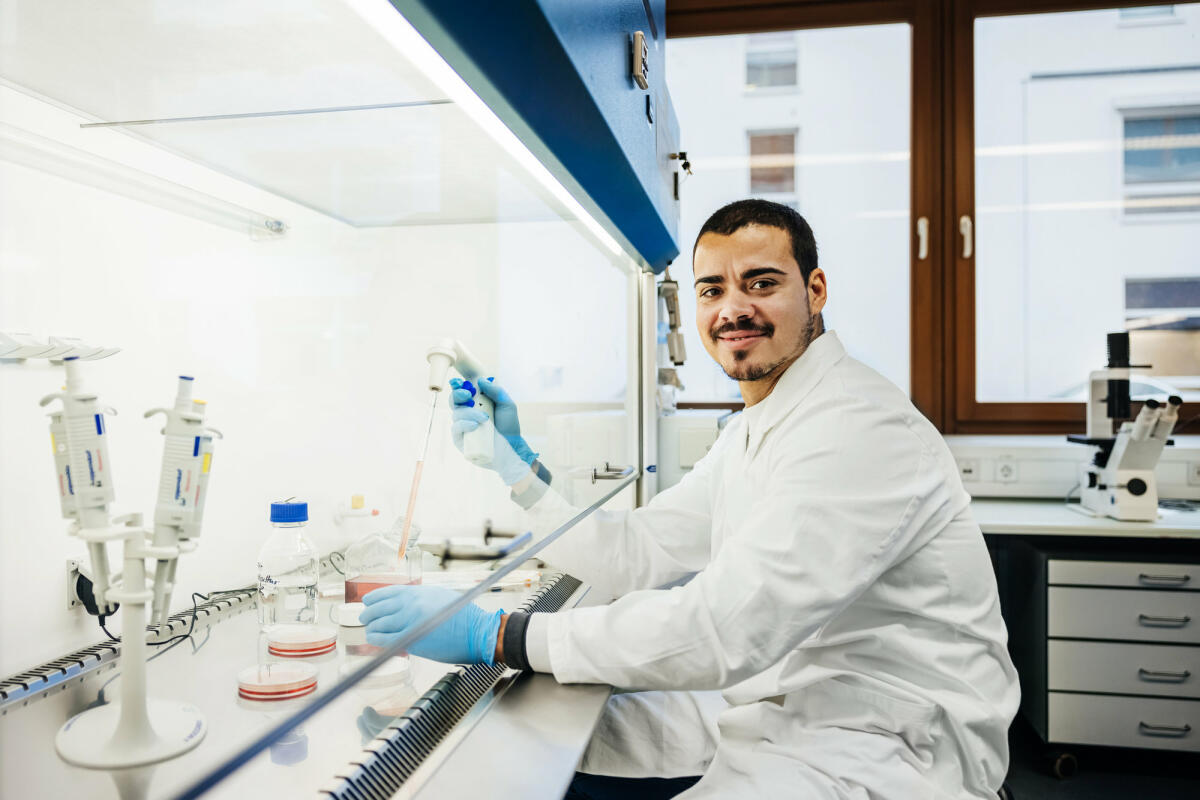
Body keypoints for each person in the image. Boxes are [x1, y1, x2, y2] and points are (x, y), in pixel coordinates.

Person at [360, 199, 1020, 799]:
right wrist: (518, 468)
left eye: (762, 283)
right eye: (713, 290)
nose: (734, 309)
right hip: (781, 705)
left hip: (886, 743)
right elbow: (636, 552)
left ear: (814, 291)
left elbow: (723, 628)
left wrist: (498, 633)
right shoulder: (757, 428)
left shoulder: (857, 426)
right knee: (530, 748)